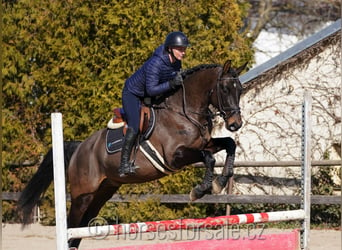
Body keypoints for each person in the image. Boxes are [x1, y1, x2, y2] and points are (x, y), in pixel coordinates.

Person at [119, 31, 190, 177]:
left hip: (149, 96)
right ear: (170, 48)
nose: (183, 52)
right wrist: (171, 84)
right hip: (133, 94)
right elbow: (151, 89)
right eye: (180, 49)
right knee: (134, 124)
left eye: (184, 49)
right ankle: (124, 164)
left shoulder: (176, 62)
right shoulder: (156, 63)